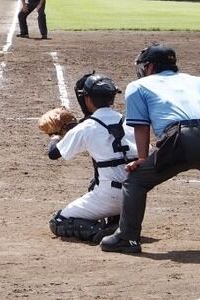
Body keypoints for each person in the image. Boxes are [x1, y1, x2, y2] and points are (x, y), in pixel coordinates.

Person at [100, 43, 200, 253]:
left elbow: (141, 126)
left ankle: (128, 238)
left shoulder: (138, 86)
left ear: (151, 67)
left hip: (179, 140)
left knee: (135, 181)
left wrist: (142, 158)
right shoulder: (197, 80)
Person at [47, 72, 138, 243]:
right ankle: (118, 221)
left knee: (58, 221)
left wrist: (55, 135)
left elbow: (53, 154)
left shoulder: (87, 126)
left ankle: (103, 231)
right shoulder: (130, 122)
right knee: (95, 181)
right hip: (135, 196)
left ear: (87, 99)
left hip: (109, 196)